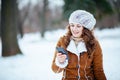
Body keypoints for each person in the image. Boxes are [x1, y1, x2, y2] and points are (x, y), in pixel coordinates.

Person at [51, 10, 106, 80]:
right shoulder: (62, 41)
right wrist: (60, 62)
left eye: (78, 26)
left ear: (85, 28)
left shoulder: (94, 44)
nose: (74, 29)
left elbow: (98, 71)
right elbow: (55, 70)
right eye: (72, 25)